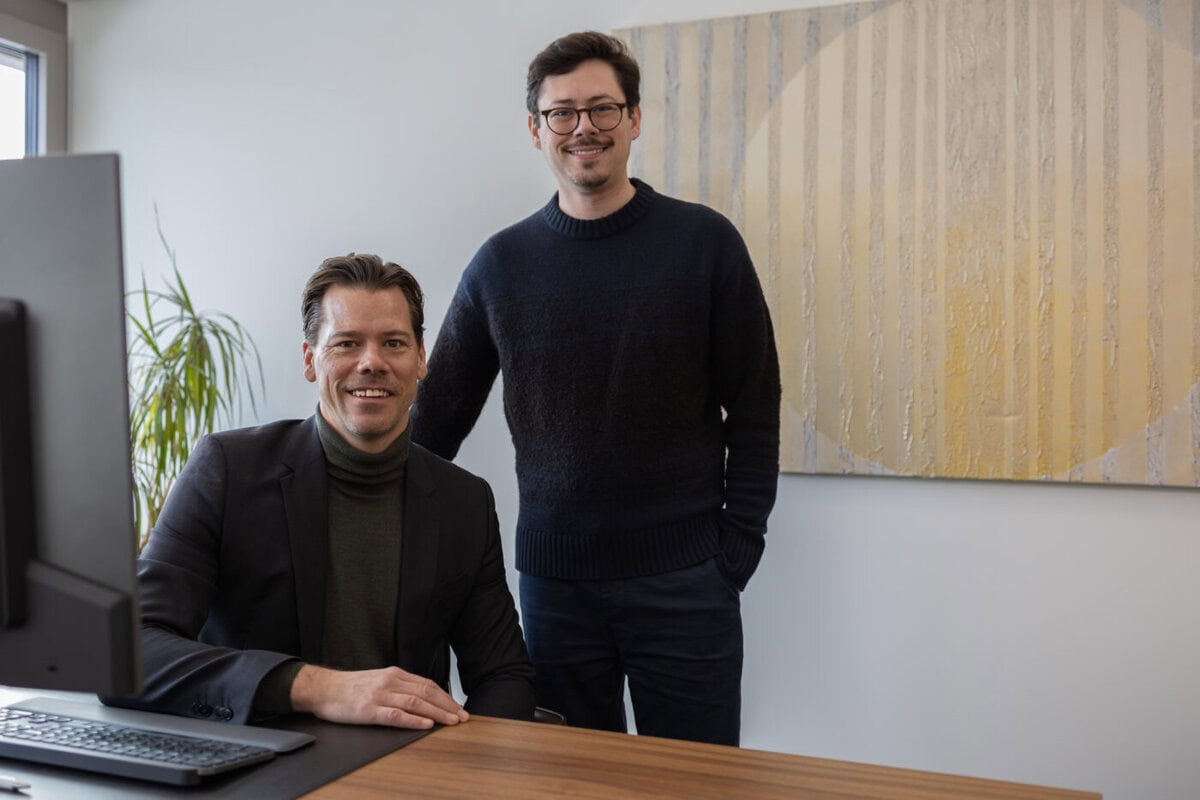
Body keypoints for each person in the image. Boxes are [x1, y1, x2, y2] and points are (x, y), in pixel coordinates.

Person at [410, 31, 780, 746]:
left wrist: (737, 549)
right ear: (536, 129)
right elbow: (432, 426)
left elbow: (756, 406)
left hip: (688, 584)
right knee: (569, 783)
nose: (584, 127)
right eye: (563, 112)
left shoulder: (705, 244)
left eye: (603, 108)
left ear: (634, 119)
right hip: (555, 592)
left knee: (696, 784)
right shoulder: (501, 265)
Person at [106, 254, 536, 728]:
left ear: (420, 359)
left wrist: (457, 759)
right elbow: (128, 651)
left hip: (406, 758)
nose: (372, 363)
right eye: (346, 343)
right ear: (310, 360)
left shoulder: (466, 502)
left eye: (393, 343)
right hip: (261, 756)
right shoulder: (226, 470)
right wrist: (316, 687)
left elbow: (504, 677)